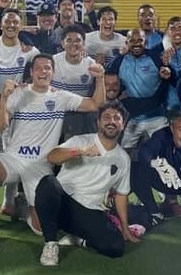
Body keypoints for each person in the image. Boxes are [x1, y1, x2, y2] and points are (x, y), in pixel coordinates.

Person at [0, 54, 104, 251]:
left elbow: (94, 104)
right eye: (38, 68)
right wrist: (5, 97)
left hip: (40, 165)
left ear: (53, 72)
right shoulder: (18, 93)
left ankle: (23, 207)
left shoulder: (61, 97)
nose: (43, 71)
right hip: (13, 158)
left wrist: (100, 78)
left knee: (41, 229)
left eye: (47, 68)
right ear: (31, 72)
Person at [35, 101, 139, 266]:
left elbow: (121, 194)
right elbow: (52, 157)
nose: (111, 121)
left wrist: (125, 228)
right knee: (48, 183)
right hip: (63, 203)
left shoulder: (123, 159)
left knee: (116, 248)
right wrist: (79, 152)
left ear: (123, 124)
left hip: (90, 210)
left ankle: (80, 239)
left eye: (116, 118)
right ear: (98, 122)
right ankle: (50, 243)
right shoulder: (80, 141)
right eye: (106, 117)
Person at [107, 28, 175, 156]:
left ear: (145, 41)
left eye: (140, 40)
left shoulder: (155, 57)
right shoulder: (119, 61)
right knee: (124, 155)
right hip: (133, 119)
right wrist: (119, 92)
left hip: (157, 117)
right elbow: (107, 80)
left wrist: (168, 73)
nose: (137, 43)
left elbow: (169, 75)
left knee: (165, 153)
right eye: (132, 40)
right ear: (127, 43)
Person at [53, 25, 102, 138]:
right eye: (69, 40)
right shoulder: (53, 62)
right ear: (62, 43)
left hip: (82, 111)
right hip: (57, 112)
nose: (73, 44)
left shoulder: (91, 64)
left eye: (78, 40)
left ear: (83, 44)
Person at [0, 8, 40, 93]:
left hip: (17, 99)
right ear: (0, 25)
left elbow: (42, 67)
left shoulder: (27, 48)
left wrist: (27, 83)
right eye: (7, 21)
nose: (11, 25)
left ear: (20, 26)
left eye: (15, 22)